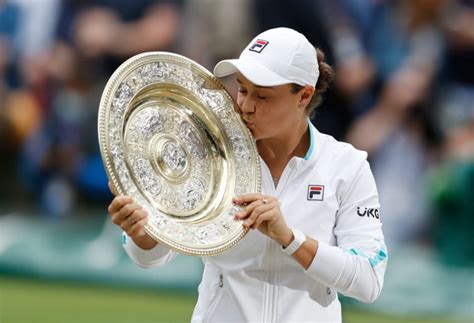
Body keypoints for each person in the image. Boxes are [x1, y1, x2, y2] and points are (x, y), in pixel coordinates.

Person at [108, 27, 388, 322]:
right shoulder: (210, 155)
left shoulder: (347, 166)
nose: (245, 106)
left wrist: (290, 239)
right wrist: (142, 235)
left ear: (304, 95)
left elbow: (368, 281)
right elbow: (151, 258)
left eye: (263, 97)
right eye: (242, 89)